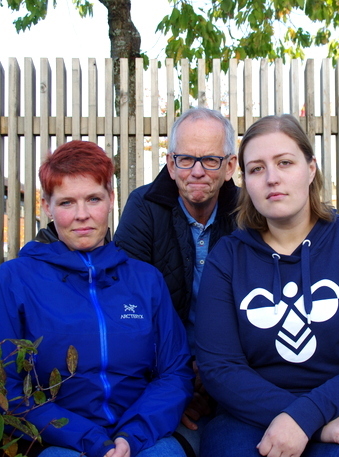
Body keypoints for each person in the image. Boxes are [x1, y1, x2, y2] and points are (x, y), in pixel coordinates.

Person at [195, 115, 339, 457]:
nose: (272, 178)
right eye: (256, 169)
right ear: (245, 182)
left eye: (285, 162)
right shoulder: (228, 257)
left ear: (311, 168)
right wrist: (304, 420)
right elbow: (219, 367)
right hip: (250, 416)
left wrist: (306, 416)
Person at [0, 140, 193, 457]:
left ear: (111, 199)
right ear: (46, 206)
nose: (82, 215)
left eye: (93, 199)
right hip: (57, 442)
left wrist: (132, 436)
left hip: (140, 436)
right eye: (66, 203)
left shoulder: (146, 281)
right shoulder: (14, 282)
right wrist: (90, 440)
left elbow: (174, 373)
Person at [113, 108, 239, 453]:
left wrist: (213, 376)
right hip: (162, 374)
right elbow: (129, 306)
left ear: (229, 166)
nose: (196, 171)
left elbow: (257, 309)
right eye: (185, 159)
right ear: (170, 164)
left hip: (233, 374)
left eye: (210, 160)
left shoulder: (249, 214)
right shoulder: (144, 207)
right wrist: (177, 383)